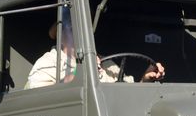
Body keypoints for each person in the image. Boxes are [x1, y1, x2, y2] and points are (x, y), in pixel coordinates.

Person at [25, 20, 165, 89]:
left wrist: (145, 79)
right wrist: (80, 72)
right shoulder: (49, 63)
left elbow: (127, 93)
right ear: (61, 35)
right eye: (72, 29)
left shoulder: (105, 62)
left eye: (84, 29)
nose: (80, 33)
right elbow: (39, 102)